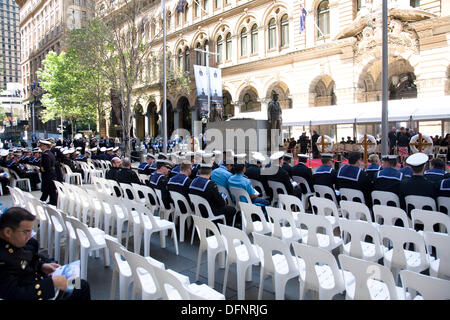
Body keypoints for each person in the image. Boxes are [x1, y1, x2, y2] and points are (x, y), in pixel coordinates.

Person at [0, 207, 91, 300]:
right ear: (8, 232)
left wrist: (42, 266)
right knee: (81, 287)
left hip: (39, 281)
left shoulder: (17, 241)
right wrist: (51, 284)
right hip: (36, 291)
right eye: (26, 232)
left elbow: (28, 260)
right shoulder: (3, 259)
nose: (29, 236)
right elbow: (15, 294)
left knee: (80, 284)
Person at [39, 140, 58, 206]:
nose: (40, 147)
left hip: (48, 175)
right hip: (51, 174)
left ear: (45, 146)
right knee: (48, 191)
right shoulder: (50, 153)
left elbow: (46, 166)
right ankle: (45, 202)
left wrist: (42, 170)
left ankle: (53, 203)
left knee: (50, 190)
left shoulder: (46, 155)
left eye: (41, 145)